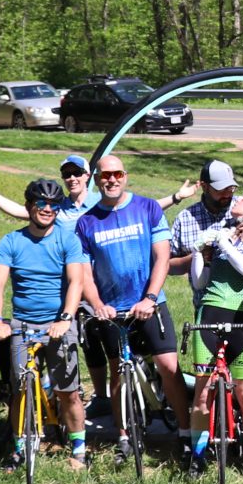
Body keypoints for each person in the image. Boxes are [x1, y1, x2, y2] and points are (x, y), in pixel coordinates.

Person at [74, 154, 189, 459]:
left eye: (117, 174)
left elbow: (162, 258)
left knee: (168, 367)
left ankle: (187, 431)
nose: (111, 179)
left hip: (150, 304)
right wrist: (97, 304)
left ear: (125, 176)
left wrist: (150, 298)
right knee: (117, 372)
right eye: (104, 175)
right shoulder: (86, 222)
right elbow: (84, 272)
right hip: (112, 311)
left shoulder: (147, 208)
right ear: (96, 180)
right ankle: (124, 435)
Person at [0, 178, 92, 469]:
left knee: (68, 391)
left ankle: (79, 447)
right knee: (19, 388)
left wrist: (66, 318)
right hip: (22, 323)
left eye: (53, 204)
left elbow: (76, 282)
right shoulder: (11, 241)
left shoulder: (66, 240)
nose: (47, 209)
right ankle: (19, 446)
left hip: (58, 322)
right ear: (28, 206)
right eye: (41, 203)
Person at [186, 187, 243, 474]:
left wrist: (223, 244)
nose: (238, 199)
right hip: (210, 312)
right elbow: (200, 282)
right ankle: (198, 455)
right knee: (202, 393)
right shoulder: (223, 230)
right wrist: (201, 254)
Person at [171, 160, 238, 300]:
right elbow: (169, 266)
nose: (227, 194)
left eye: (231, 188)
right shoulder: (185, 219)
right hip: (205, 306)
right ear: (205, 187)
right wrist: (198, 256)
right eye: (221, 189)